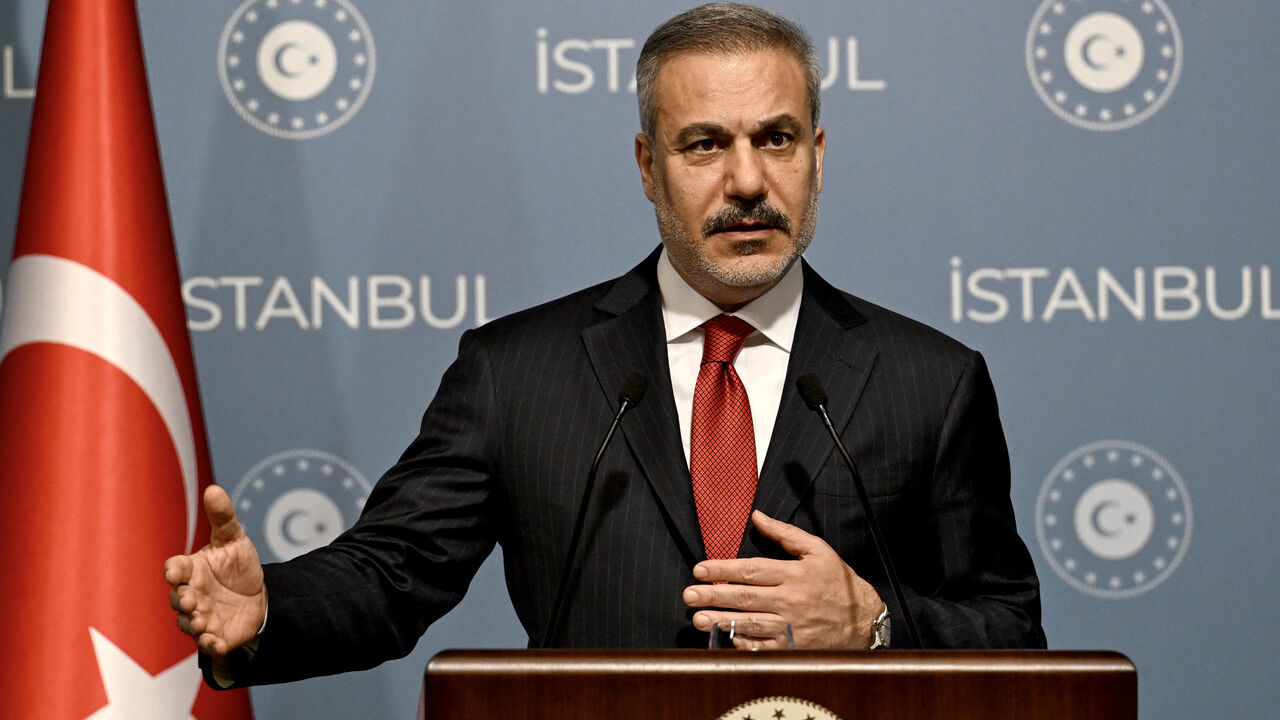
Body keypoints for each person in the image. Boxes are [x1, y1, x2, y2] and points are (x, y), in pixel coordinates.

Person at [165, 2, 1046, 687]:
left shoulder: (931, 382)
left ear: (817, 153)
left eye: (775, 138)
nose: (747, 179)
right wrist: (270, 608)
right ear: (646, 166)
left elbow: (1012, 633)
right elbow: (392, 574)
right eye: (704, 144)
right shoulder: (518, 373)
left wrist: (874, 626)